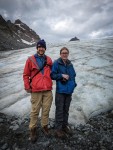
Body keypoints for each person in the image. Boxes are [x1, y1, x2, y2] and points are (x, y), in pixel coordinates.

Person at [23, 39, 53, 143]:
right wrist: (27, 86)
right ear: (37, 48)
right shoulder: (30, 60)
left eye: (43, 47)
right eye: (39, 47)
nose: (41, 48)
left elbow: (53, 73)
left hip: (48, 89)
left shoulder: (49, 60)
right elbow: (26, 75)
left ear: (45, 48)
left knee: (46, 109)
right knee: (35, 110)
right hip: (36, 90)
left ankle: (44, 126)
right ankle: (33, 129)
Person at [51, 47, 77, 138]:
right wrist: (61, 75)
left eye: (66, 53)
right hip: (60, 91)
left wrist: (74, 84)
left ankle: (64, 126)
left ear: (68, 54)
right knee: (59, 110)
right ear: (60, 54)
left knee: (66, 109)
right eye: (63, 53)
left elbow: (73, 75)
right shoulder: (56, 63)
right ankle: (58, 129)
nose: (64, 54)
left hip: (69, 91)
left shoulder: (70, 64)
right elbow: (52, 75)